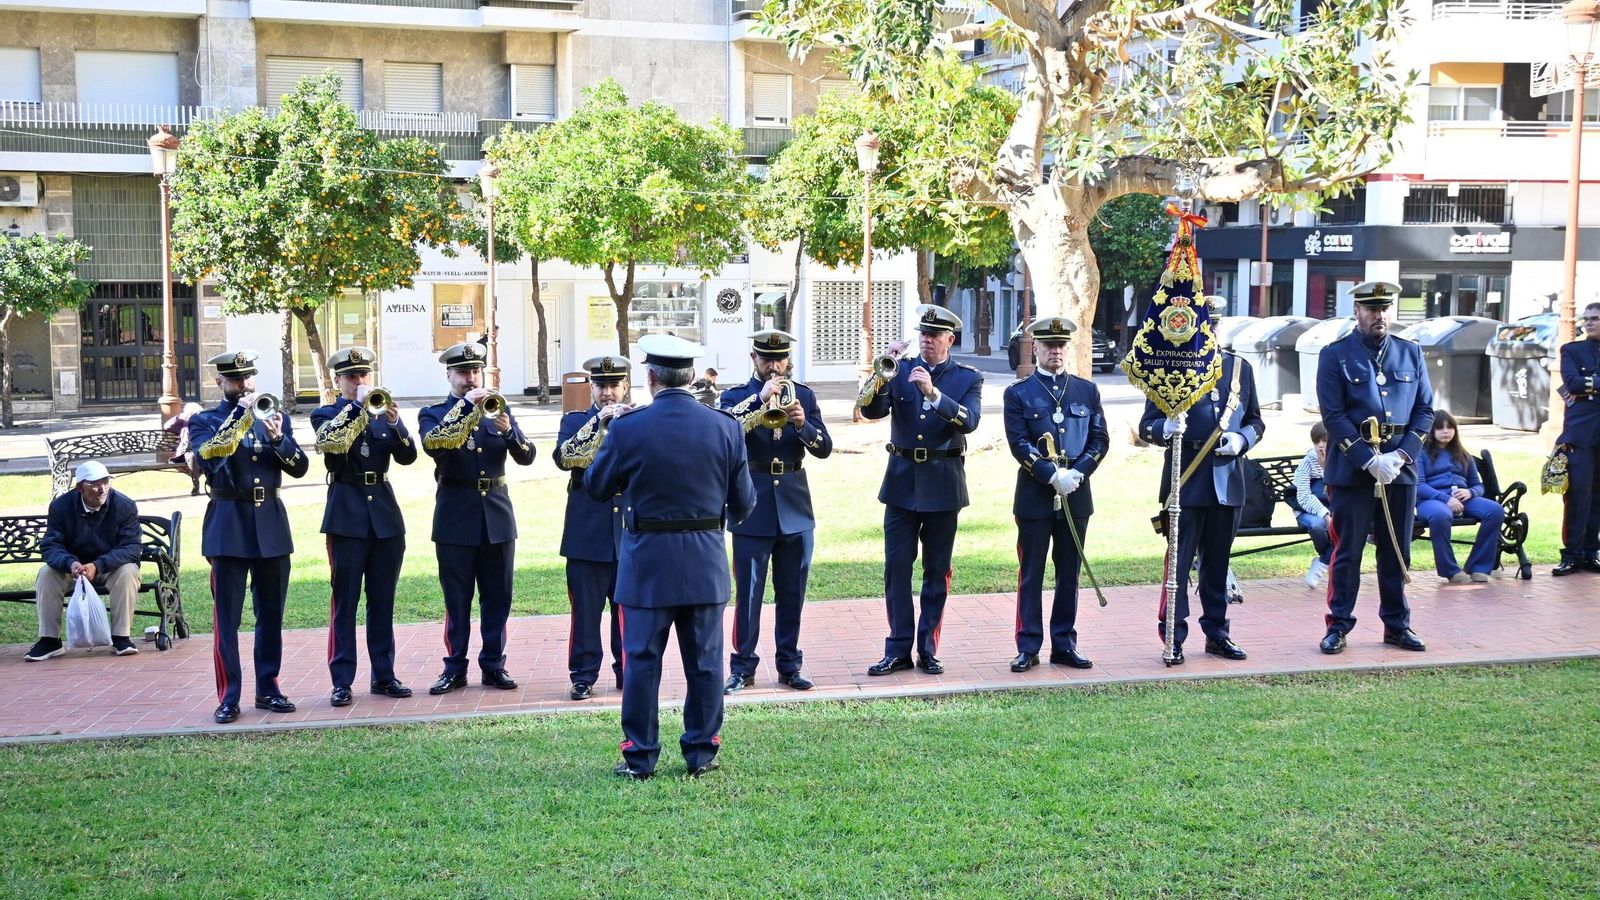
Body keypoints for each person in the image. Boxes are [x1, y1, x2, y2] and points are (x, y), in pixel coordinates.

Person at [585, 334, 755, 779]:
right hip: (704, 561)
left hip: (647, 564)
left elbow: (597, 488)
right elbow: (745, 504)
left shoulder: (627, 428)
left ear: (650, 377)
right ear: (693, 377)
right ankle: (701, 753)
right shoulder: (726, 426)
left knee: (642, 662)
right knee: (704, 663)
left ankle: (640, 756)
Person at [859, 304, 983, 676]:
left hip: (943, 483)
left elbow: (970, 420)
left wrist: (933, 394)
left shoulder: (966, 378)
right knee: (896, 569)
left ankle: (927, 647)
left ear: (950, 340)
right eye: (923, 335)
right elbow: (870, 411)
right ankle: (898, 648)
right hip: (900, 483)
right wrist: (882, 372)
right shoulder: (899, 371)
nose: (927, 342)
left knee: (936, 570)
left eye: (934, 336)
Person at [187, 349, 310, 724]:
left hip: (270, 524)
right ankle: (229, 696)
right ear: (219, 382)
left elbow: (300, 467)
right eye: (236, 380)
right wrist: (241, 419)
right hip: (229, 524)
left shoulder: (273, 415)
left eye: (248, 378)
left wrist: (278, 439)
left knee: (271, 614)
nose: (244, 385)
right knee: (228, 619)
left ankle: (268, 688)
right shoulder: (205, 421)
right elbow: (209, 460)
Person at [1137, 305, 1265, 663]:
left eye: (1214, 324)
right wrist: (1164, 430)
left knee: (1219, 563)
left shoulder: (1239, 368)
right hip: (1186, 475)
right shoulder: (1167, 365)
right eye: (1202, 324)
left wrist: (1243, 440)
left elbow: (1255, 421)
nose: (1209, 330)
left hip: (1227, 478)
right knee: (1178, 563)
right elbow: (1147, 424)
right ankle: (1173, 637)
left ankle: (1217, 634)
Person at [1315, 280, 1433, 654]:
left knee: (1397, 549)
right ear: (1357, 312)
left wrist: (1401, 456)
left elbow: (1425, 410)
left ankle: (1397, 625)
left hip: (1399, 467)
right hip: (1353, 469)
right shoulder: (1334, 355)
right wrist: (1367, 459)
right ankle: (1338, 625)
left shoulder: (1410, 352)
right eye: (1371, 309)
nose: (1379, 315)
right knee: (1347, 550)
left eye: (1384, 308)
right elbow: (1332, 416)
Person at [417, 342, 536, 696]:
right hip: (456, 514)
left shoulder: (498, 408)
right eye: (463, 373)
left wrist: (509, 432)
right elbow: (433, 445)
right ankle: (454, 667)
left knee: (497, 596)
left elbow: (527, 456)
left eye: (475, 372)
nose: (471, 379)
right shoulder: (434, 412)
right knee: (457, 597)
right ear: (449, 375)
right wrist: (467, 408)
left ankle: (493, 664)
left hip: (497, 516)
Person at [719, 329, 833, 694]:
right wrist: (759, 400)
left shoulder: (805, 395)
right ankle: (743, 667)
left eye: (779, 359)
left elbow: (824, 447)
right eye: (766, 359)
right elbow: (722, 433)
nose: (773, 366)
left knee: (792, 592)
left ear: (788, 360)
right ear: (753, 358)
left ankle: (789, 665)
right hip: (752, 504)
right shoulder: (736, 396)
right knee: (749, 594)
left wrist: (802, 424)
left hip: (795, 505)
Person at [310, 347, 417, 708]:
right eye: (351, 377)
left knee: (383, 602)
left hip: (385, 515)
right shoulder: (326, 414)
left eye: (363, 376)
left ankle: (384, 675)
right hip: (347, 512)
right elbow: (333, 448)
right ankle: (342, 681)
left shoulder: (379, 411)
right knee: (345, 602)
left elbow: (407, 456)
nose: (359, 382)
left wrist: (394, 422)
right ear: (337, 380)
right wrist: (356, 407)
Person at [1001, 316, 1107, 672]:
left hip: (1076, 492)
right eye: (1048, 345)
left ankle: (1064, 643)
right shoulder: (1019, 392)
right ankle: (1028, 646)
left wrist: (1077, 472)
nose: (1056, 351)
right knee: (1031, 572)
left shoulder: (1086, 391)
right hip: (1035, 494)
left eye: (1061, 345)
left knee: (1069, 572)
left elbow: (1099, 439)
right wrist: (1051, 475)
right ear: (1037, 348)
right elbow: (1018, 442)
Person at [553, 354, 632, 701]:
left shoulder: (637, 421)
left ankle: (628, 671)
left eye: (614, 385)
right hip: (587, 530)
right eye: (601, 386)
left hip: (628, 530)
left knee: (628, 609)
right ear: (591, 389)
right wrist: (598, 422)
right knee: (585, 611)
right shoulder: (575, 422)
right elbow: (563, 457)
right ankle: (583, 676)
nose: (608, 393)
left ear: (626, 386)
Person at [25, 461, 143, 661]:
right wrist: (70, 563)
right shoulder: (61, 506)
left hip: (108, 568)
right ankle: (50, 640)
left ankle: (121, 637)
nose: (102, 488)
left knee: (128, 571)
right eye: (95, 484)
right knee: (46, 573)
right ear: (80, 487)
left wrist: (98, 566)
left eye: (106, 481)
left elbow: (131, 548)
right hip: (73, 569)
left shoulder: (125, 505)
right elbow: (51, 546)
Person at [1415, 409, 1504, 584]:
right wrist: (1445, 499)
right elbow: (1418, 485)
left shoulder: (1463, 454)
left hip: (1464, 500)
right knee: (1441, 515)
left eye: (1450, 428)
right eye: (1440, 428)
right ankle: (1450, 570)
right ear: (1431, 431)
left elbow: (1478, 485)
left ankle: (1478, 567)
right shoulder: (1421, 453)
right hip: (1430, 501)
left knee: (1495, 510)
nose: (1446, 431)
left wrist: (1471, 492)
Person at [1553, 300, 1600, 576]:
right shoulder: (1572, 349)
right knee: (1577, 495)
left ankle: (1590, 553)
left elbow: (1582, 386)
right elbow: (1571, 383)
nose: (1589, 323)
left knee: (1597, 497)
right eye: (1586, 319)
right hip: (1580, 434)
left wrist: (1590, 385)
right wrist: (1586, 386)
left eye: (1595, 318)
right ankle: (1571, 554)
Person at [1292, 421, 1333, 588]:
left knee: (1346, 526)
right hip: (1307, 511)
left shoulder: (1339, 461)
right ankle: (1325, 558)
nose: (1320, 445)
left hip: (1332, 509)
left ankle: (1323, 561)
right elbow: (1303, 497)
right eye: (1317, 441)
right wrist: (1325, 515)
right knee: (1317, 526)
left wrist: (1326, 466)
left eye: (1325, 441)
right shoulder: (1307, 463)